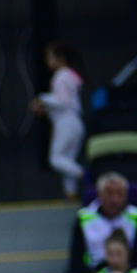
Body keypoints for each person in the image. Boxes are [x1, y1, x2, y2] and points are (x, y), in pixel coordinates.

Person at [68, 173, 137, 273]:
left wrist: (122, 272)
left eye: (119, 194)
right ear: (99, 194)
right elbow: (76, 258)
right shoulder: (84, 218)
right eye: (109, 194)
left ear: (126, 195)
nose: (114, 199)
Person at [30, 41, 86, 198]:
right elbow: (66, 102)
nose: (47, 61)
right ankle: (71, 194)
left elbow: (63, 101)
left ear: (60, 58)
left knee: (56, 159)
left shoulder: (61, 76)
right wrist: (46, 107)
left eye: (49, 56)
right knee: (68, 161)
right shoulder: (71, 74)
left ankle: (87, 176)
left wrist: (41, 99)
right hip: (74, 122)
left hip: (67, 123)